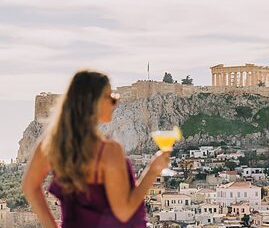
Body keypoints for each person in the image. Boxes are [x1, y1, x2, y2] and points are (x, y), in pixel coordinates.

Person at [22, 70, 170, 228]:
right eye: (110, 97)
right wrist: (152, 171)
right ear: (93, 102)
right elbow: (124, 212)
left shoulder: (52, 144)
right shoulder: (109, 151)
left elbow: (30, 186)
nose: (116, 102)